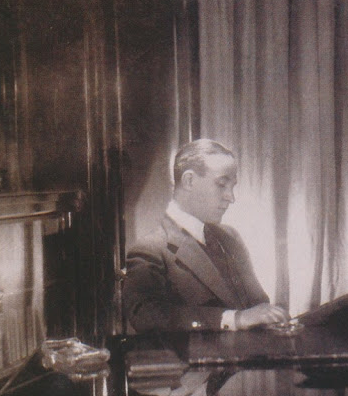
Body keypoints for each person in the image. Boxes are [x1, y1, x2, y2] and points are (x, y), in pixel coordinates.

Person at [123, 139, 289, 333]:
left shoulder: (230, 237)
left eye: (232, 186)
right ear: (189, 181)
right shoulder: (151, 250)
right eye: (221, 184)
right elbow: (145, 315)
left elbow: (258, 304)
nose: (231, 197)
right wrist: (234, 319)